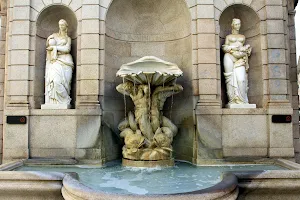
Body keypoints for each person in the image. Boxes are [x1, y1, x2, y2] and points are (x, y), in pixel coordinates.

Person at [222, 18, 252, 105]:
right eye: (236, 24)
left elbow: (246, 49)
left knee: (241, 80)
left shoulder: (243, 37)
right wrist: (232, 48)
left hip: (240, 58)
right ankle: (232, 100)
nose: (238, 26)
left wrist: (245, 49)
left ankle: (242, 100)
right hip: (229, 56)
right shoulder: (228, 37)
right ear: (232, 25)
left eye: (239, 24)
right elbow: (224, 47)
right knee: (229, 77)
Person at [44, 19, 74, 105]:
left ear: (66, 27)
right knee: (55, 81)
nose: (61, 27)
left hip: (66, 62)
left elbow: (67, 49)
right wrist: (49, 42)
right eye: (60, 25)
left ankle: (66, 100)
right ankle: (55, 101)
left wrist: (55, 48)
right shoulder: (54, 36)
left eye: (63, 25)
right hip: (55, 61)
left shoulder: (68, 38)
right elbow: (48, 45)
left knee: (66, 84)